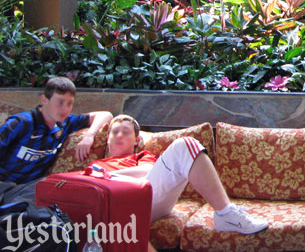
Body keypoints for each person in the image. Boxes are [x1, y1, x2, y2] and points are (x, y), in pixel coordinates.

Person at [89, 114, 268, 236]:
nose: (119, 135)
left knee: (186, 145)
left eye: (126, 131)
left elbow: (148, 172)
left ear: (137, 140)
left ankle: (225, 214)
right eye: (115, 131)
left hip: (145, 199)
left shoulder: (142, 157)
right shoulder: (96, 165)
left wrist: (109, 175)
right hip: (113, 208)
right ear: (107, 138)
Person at [0, 77, 113, 205]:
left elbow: (106, 115)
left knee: (56, 192)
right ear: (44, 100)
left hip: (27, 189)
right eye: (60, 102)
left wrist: (89, 136)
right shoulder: (22, 123)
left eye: (70, 103)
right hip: (3, 185)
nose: (65, 109)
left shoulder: (66, 123)